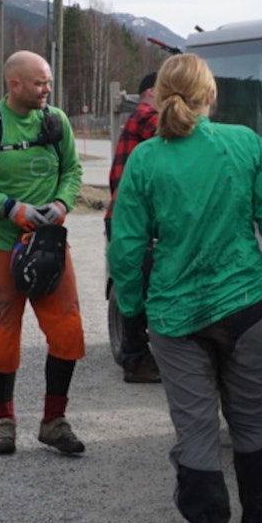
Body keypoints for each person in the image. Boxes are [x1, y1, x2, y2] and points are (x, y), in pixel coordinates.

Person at [107, 53, 262, 523]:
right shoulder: (245, 144)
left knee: (195, 433)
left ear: (161, 95)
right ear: (210, 96)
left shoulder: (147, 159)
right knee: (253, 425)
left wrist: (131, 311)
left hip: (176, 316)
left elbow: (126, 246)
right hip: (245, 305)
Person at [0, 50, 86, 457]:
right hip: (0, 244)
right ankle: (4, 422)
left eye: (48, 82)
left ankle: (54, 421)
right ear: (15, 84)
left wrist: (62, 204)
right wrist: (11, 208)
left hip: (50, 244)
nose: (47, 89)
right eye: (40, 83)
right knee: (4, 335)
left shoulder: (56, 121)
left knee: (68, 331)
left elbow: (73, 172)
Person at [106, 71, 161, 384]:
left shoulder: (137, 119)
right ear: (152, 92)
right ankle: (136, 360)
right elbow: (178, 134)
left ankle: (137, 357)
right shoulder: (145, 115)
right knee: (136, 289)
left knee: (133, 287)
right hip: (131, 219)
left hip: (128, 217)